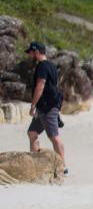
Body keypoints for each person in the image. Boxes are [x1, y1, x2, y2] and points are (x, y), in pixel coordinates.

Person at [25, 41, 67, 174]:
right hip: (44, 107)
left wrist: (33, 105)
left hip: (47, 107)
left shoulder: (42, 66)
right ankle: (36, 163)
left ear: (37, 52)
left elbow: (40, 86)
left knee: (54, 137)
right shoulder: (52, 66)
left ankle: (63, 167)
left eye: (31, 53)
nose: (30, 55)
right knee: (32, 133)